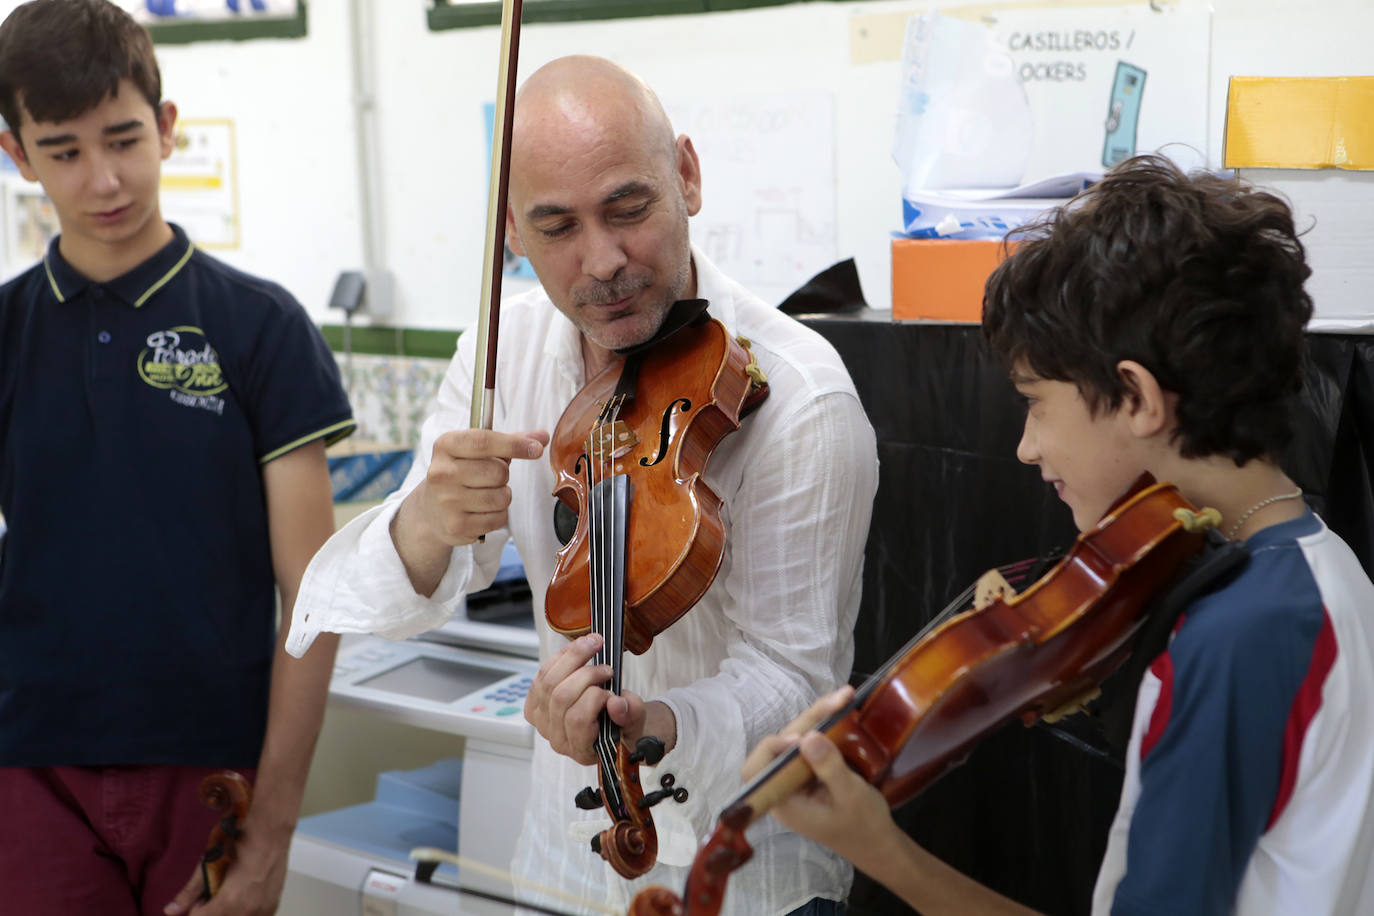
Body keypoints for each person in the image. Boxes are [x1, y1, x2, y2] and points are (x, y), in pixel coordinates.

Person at [285, 55, 878, 915]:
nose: (602, 260)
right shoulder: (502, 352)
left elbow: (794, 676)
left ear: (688, 176)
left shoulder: (802, 395)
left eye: (628, 208)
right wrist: (426, 519)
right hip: (562, 852)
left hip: (750, 873)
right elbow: (404, 600)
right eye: (556, 226)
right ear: (511, 234)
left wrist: (655, 723)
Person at [742, 155, 1374, 916]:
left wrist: (883, 853)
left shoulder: (1239, 635)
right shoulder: (1323, 570)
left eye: (1035, 402)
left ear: (1136, 396)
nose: (1025, 447)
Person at [0, 2, 355, 914]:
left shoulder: (262, 327)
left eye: (123, 138)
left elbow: (314, 599)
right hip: (29, 773)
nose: (104, 178)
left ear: (166, 127)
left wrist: (273, 834)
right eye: (64, 150)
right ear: (16, 155)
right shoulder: (5, 330)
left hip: (213, 773)